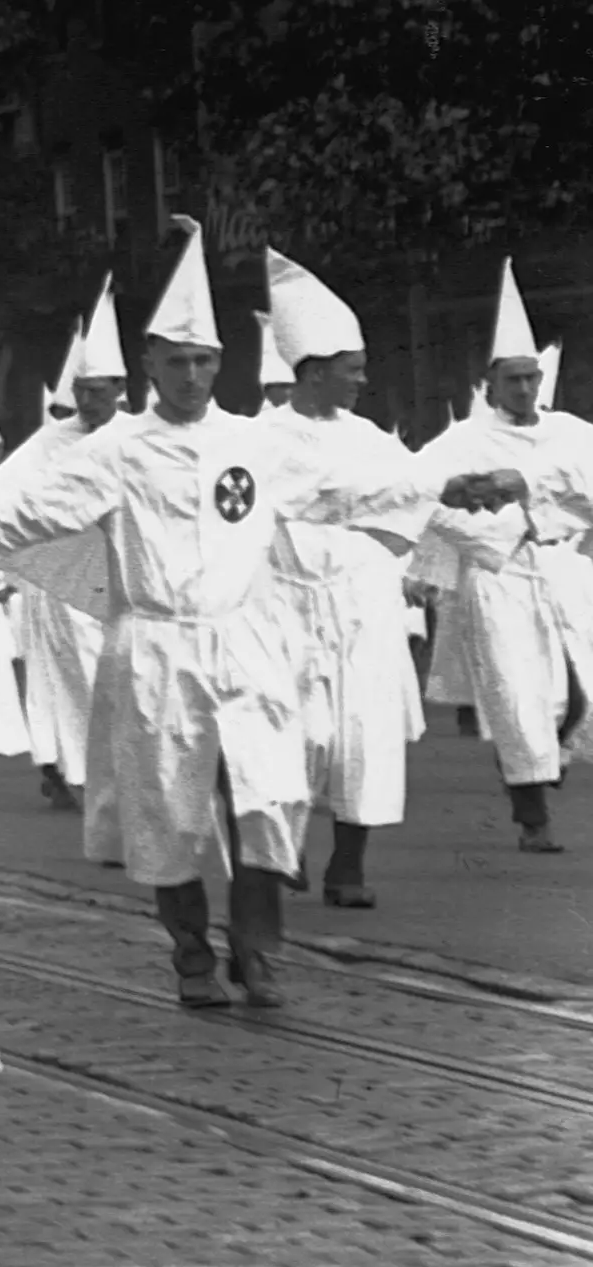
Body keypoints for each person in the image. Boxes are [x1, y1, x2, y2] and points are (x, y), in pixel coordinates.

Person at [0, 221, 448, 1009]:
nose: (191, 376)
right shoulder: (116, 452)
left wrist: (448, 491)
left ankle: (258, 954)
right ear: (151, 366)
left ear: (220, 365)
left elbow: (347, 491)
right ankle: (193, 954)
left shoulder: (256, 445)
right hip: (156, 651)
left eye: (203, 362)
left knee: (269, 802)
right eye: (176, 362)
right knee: (169, 813)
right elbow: (12, 516)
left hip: (246, 643)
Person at [246, 254, 428, 909]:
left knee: (363, 739)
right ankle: (283, 847)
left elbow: (411, 502)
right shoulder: (260, 439)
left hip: (360, 607)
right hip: (285, 605)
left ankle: (347, 868)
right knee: (292, 735)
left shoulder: (372, 438)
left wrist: (388, 555)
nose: (362, 380)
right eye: (352, 370)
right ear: (316, 372)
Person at [411, 262, 593, 853]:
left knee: (574, 686)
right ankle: (532, 814)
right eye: (512, 379)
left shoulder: (571, 432)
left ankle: (549, 756)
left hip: (562, 570)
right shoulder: (462, 441)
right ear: (489, 381)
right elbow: (426, 499)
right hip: (500, 576)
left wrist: (539, 502)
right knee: (515, 694)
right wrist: (501, 534)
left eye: (531, 378)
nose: (523, 390)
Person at [0, 284, 127, 810]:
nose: (88, 401)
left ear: (120, 389)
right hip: (64, 586)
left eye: (99, 390)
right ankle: (80, 775)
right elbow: (2, 501)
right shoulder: (50, 443)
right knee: (74, 684)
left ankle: (103, 776)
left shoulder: (135, 439)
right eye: (82, 390)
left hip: (123, 582)